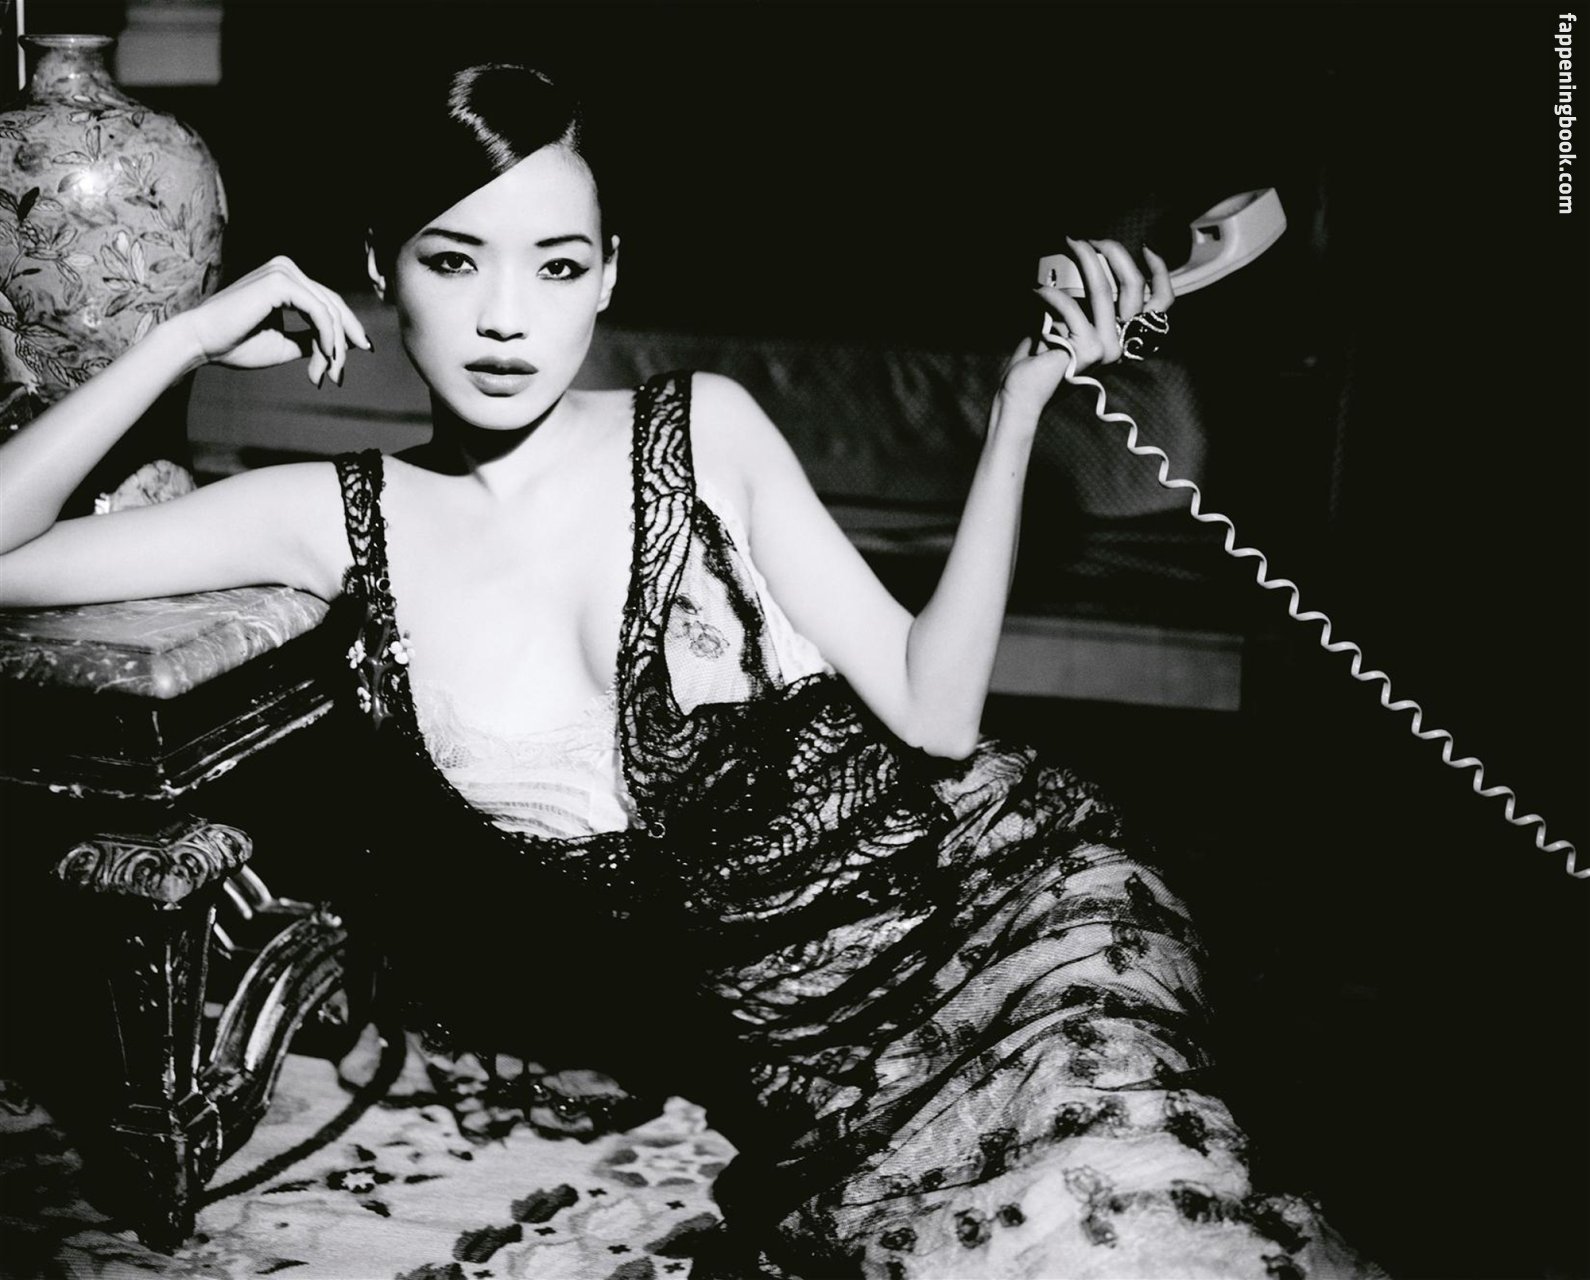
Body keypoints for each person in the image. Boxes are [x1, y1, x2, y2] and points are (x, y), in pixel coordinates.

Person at [0, 61, 1381, 1280]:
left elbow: (936, 709)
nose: (504, 318)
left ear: (609, 276)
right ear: (379, 267)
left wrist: (1020, 401)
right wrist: (181, 337)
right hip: (809, 1068)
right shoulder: (326, 516)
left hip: (1013, 914)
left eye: (555, 267)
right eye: (454, 260)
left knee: (1138, 1214)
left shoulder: (703, 428)